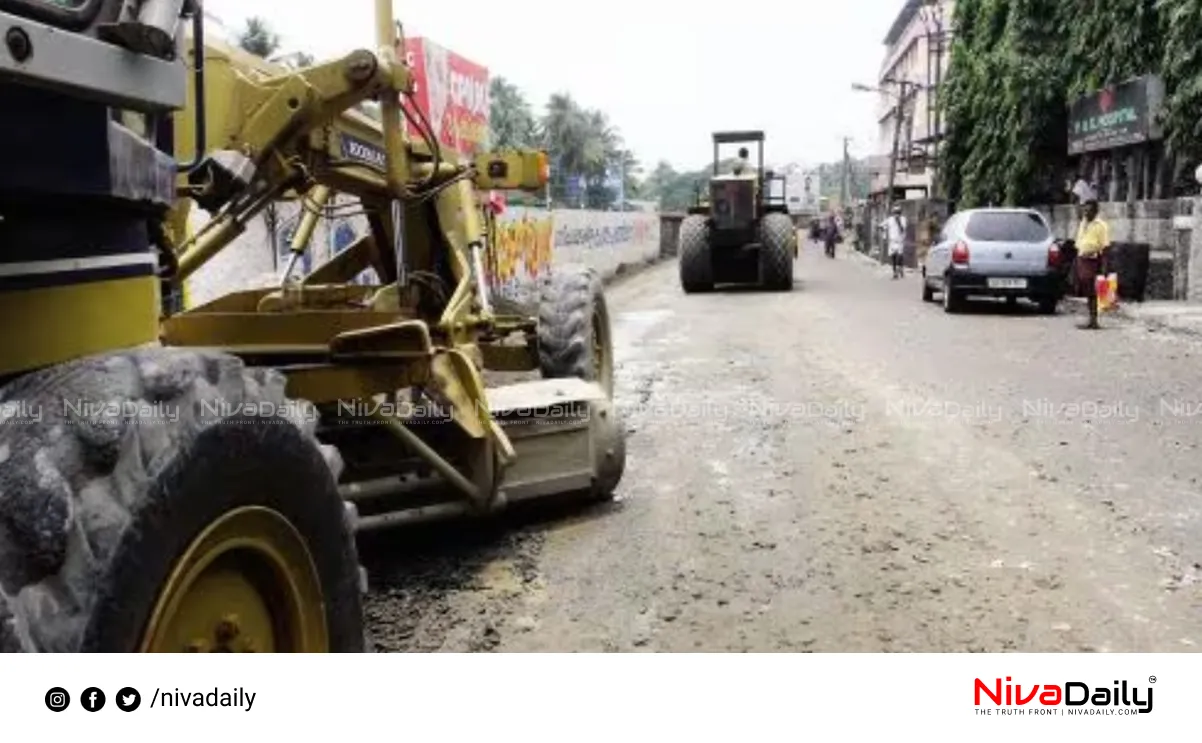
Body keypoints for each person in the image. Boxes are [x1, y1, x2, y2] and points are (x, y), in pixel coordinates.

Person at [1074, 198, 1110, 330]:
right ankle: (1091, 319)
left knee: (1093, 291)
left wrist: (1104, 267)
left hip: (1094, 260)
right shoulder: (1083, 223)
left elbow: (1105, 248)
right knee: (1087, 291)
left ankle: (1094, 320)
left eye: (1089, 210)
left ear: (1095, 211)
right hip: (1082, 259)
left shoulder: (1101, 226)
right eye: (1085, 209)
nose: (1086, 212)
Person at [885, 204, 906, 279]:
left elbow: (902, 229)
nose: (896, 214)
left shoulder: (903, 219)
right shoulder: (890, 219)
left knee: (899, 256)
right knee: (893, 257)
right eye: (895, 212)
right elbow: (884, 225)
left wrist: (898, 222)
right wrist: (880, 227)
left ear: (900, 213)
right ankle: (895, 271)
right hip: (892, 241)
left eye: (898, 212)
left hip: (899, 241)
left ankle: (898, 270)